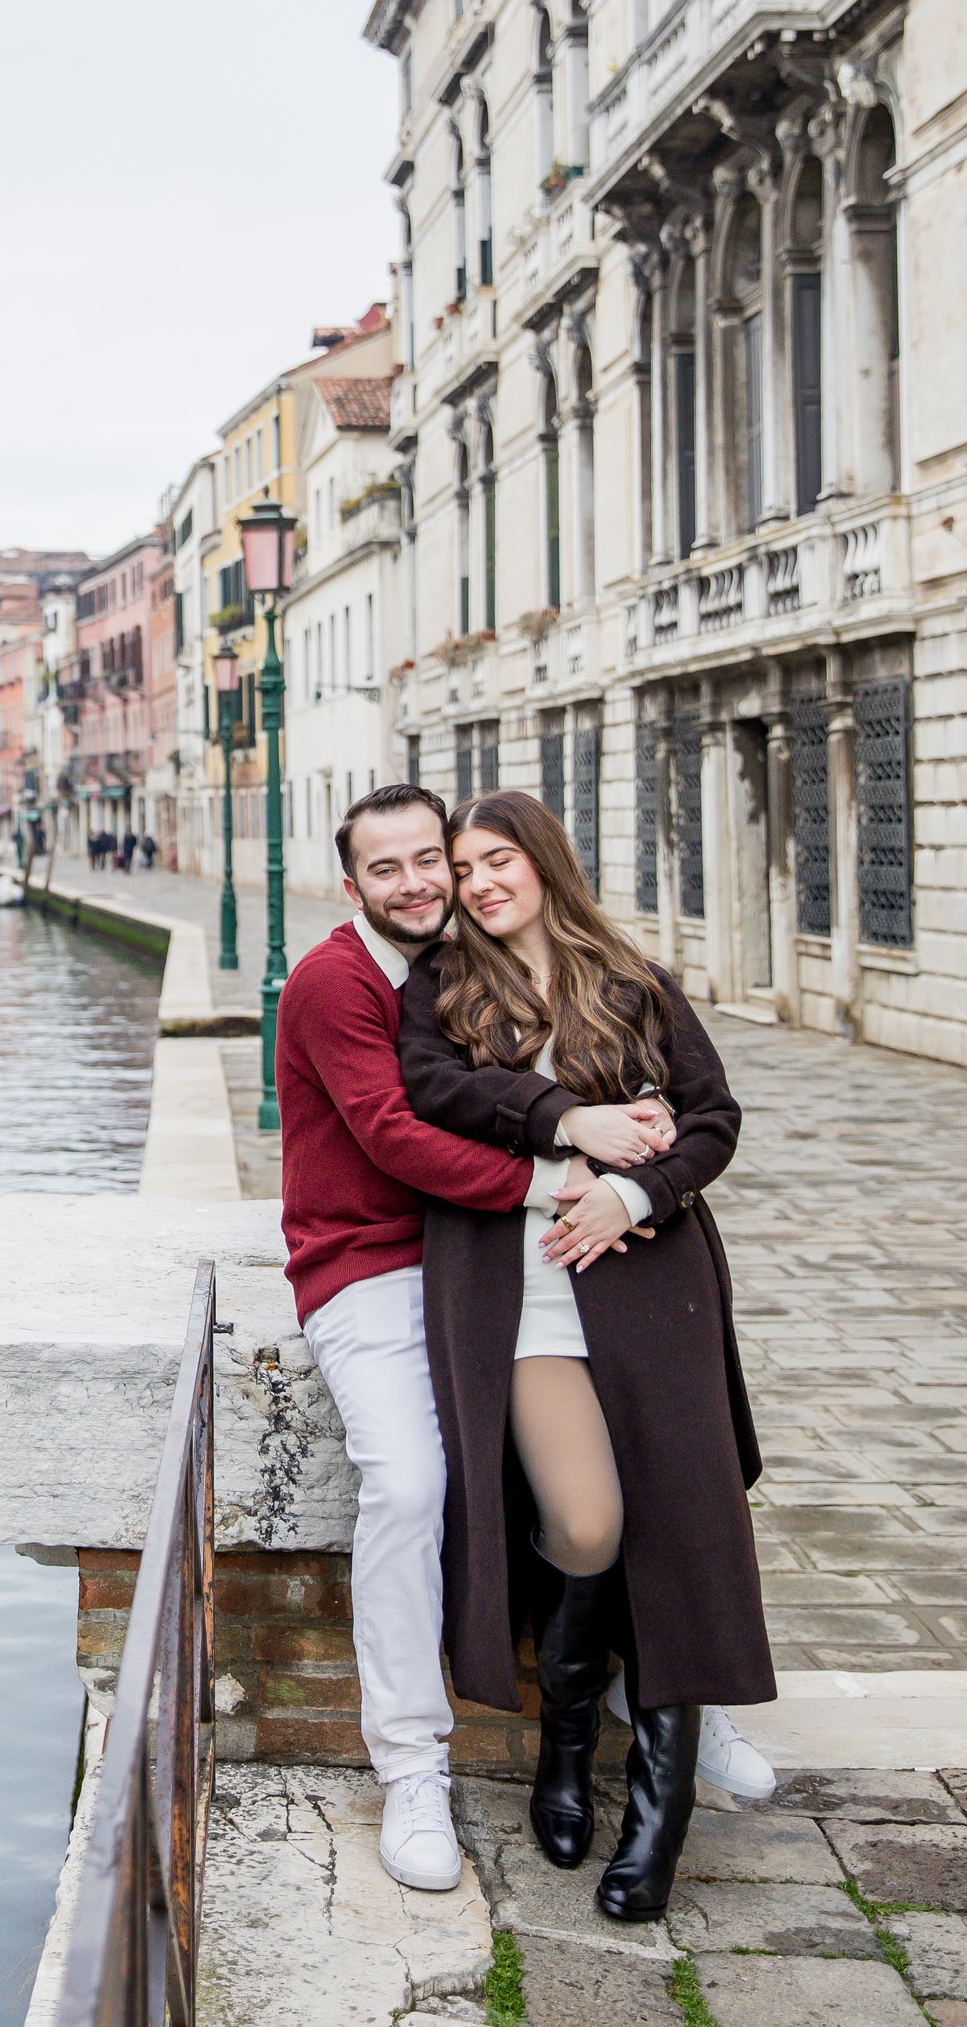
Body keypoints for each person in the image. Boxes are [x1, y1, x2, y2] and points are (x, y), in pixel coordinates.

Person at [397, 790, 776, 1921]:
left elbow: (712, 1121)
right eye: (463, 870)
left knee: (685, 1534)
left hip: (652, 1287)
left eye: (496, 860)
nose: (478, 883)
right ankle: (567, 1735)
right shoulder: (446, 990)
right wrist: (569, 1118)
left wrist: (633, 1189)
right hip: (523, 1300)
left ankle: (655, 1825)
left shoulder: (633, 982)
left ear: (544, 861)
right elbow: (435, 1091)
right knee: (589, 1523)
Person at [275, 783, 583, 1890]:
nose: (415, 885)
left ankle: (665, 1698)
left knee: (621, 1421)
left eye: (430, 863)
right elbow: (393, 1136)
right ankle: (411, 1763)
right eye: (388, 870)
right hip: (366, 1265)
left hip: (480, 1253)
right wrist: (554, 1179)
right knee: (407, 1483)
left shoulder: (472, 964)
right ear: (351, 884)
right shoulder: (331, 981)